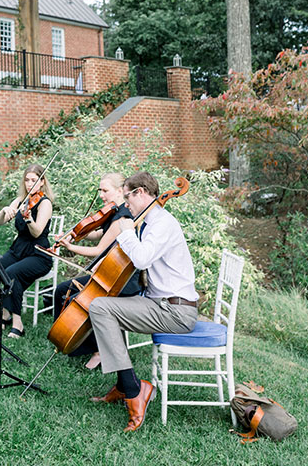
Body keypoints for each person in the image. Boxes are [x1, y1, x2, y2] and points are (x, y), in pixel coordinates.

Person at [88, 171, 198, 432]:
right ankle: (124, 385)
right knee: (111, 303)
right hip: (161, 303)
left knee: (100, 307)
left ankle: (135, 389)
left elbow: (142, 259)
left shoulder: (162, 224)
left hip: (175, 311)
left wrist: (126, 232)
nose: (125, 205)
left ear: (140, 193)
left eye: (127, 197)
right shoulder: (151, 221)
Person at [53, 173, 140, 369]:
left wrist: (71, 247)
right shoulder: (115, 211)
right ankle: (70, 341)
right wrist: (78, 234)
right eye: (100, 190)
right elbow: (100, 234)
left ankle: (98, 349)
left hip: (120, 280)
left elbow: (99, 250)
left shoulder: (123, 217)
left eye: (105, 190)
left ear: (120, 191)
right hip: (106, 274)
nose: (101, 194)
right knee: (61, 290)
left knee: (77, 297)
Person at [0, 163, 54, 338]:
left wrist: (29, 218)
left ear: (42, 182)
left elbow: (37, 232)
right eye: (27, 180)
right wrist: (4, 210)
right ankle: (2, 311)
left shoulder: (45, 204)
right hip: (18, 250)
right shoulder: (21, 200)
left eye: (34, 180)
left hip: (39, 253)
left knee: (12, 273)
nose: (30, 184)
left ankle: (18, 323)